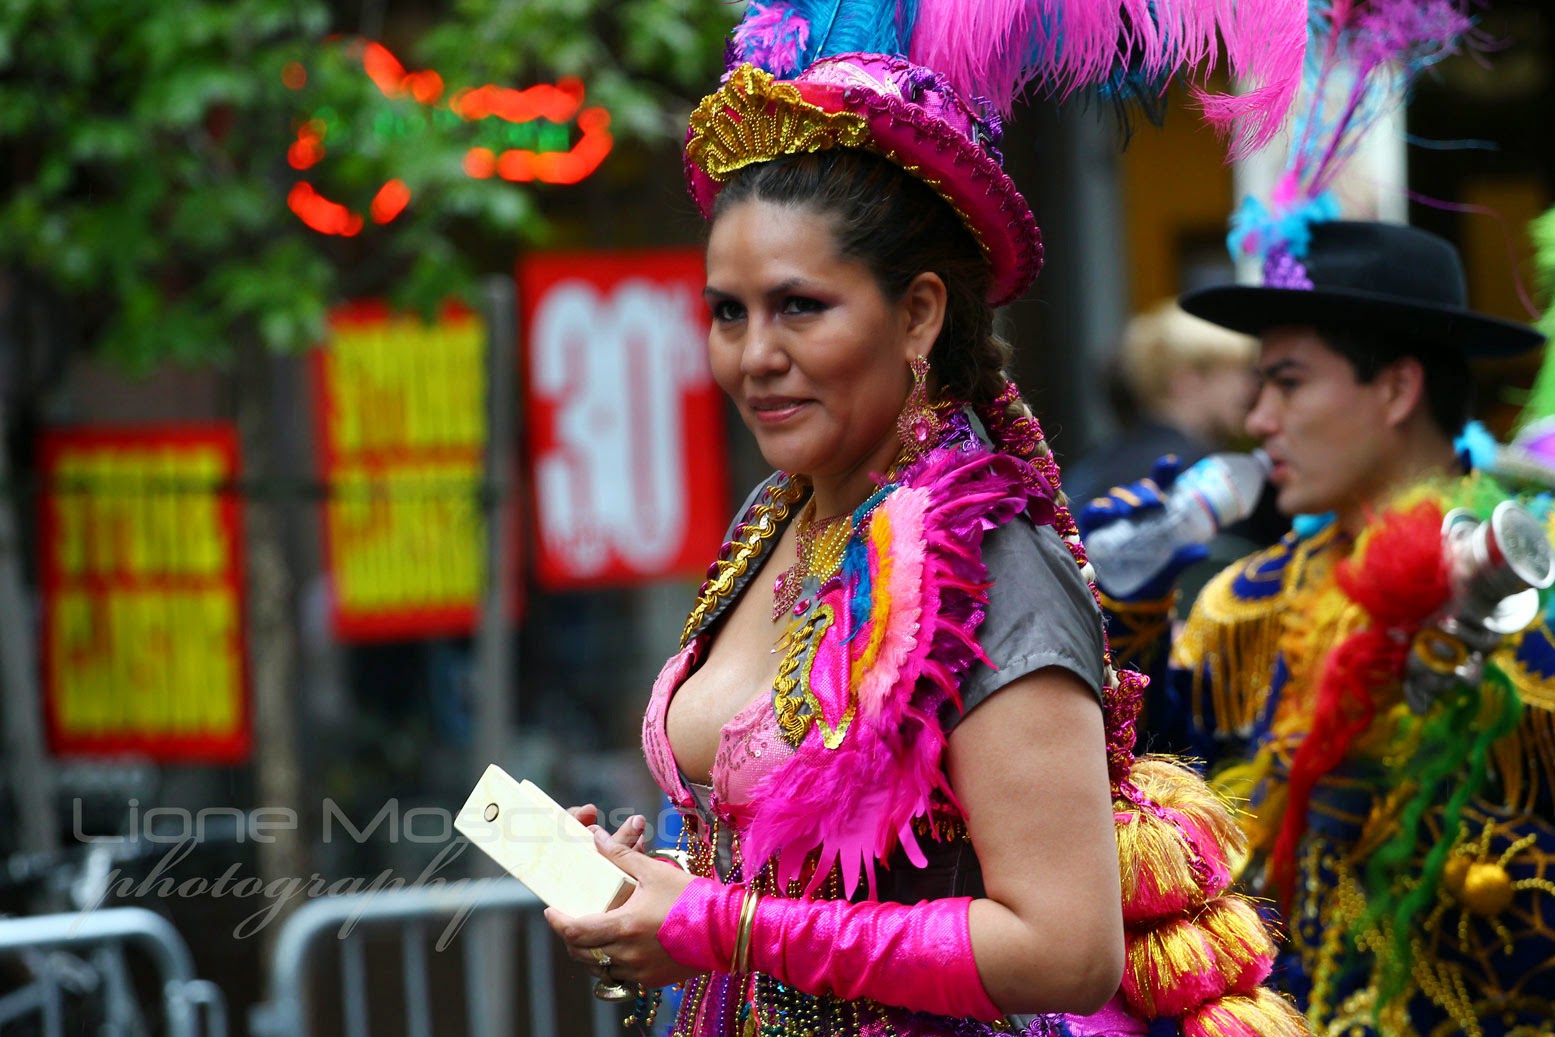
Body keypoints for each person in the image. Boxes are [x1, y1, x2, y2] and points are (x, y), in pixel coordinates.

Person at [537, 5, 1314, 1036]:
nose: (752, 354)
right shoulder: (774, 523)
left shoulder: (987, 561)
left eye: (799, 306)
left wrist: (718, 921)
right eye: (728, 311)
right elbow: (811, 875)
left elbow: (1063, 945)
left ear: (918, 314)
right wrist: (652, 887)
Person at [1080, 218, 1555, 1035]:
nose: (1258, 418)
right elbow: (1142, 798)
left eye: (1288, 382)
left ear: (1398, 389)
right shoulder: (1242, 603)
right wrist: (1122, 621)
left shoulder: (1522, 588)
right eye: (1258, 385)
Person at [1064, 299, 1259, 506]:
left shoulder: (1096, 462)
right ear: (1186, 380)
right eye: (1239, 372)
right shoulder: (1198, 474)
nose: (1252, 388)